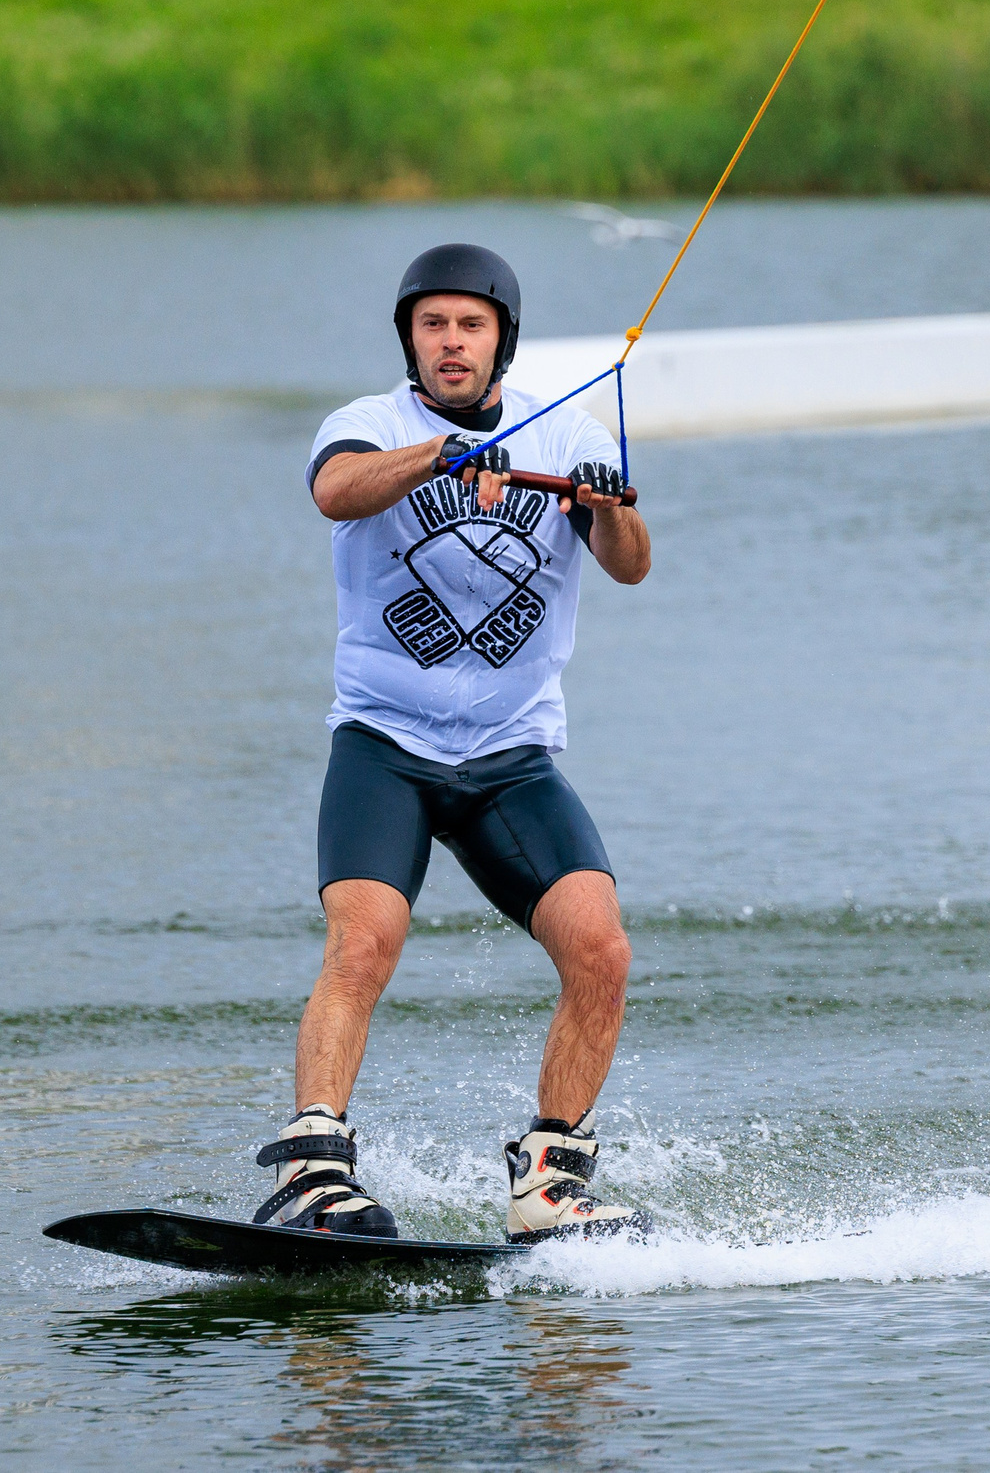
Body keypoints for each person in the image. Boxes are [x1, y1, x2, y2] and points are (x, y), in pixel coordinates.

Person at [259, 243, 654, 1246]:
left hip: (510, 759)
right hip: (384, 746)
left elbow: (630, 567)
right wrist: (430, 460)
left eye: (468, 326)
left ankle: (550, 1181)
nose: (449, 342)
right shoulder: (367, 427)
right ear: (409, 338)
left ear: (499, 341)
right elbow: (336, 493)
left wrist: (605, 510)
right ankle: (314, 1173)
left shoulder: (564, 431)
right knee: (363, 942)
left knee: (600, 950)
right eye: (432, 325)